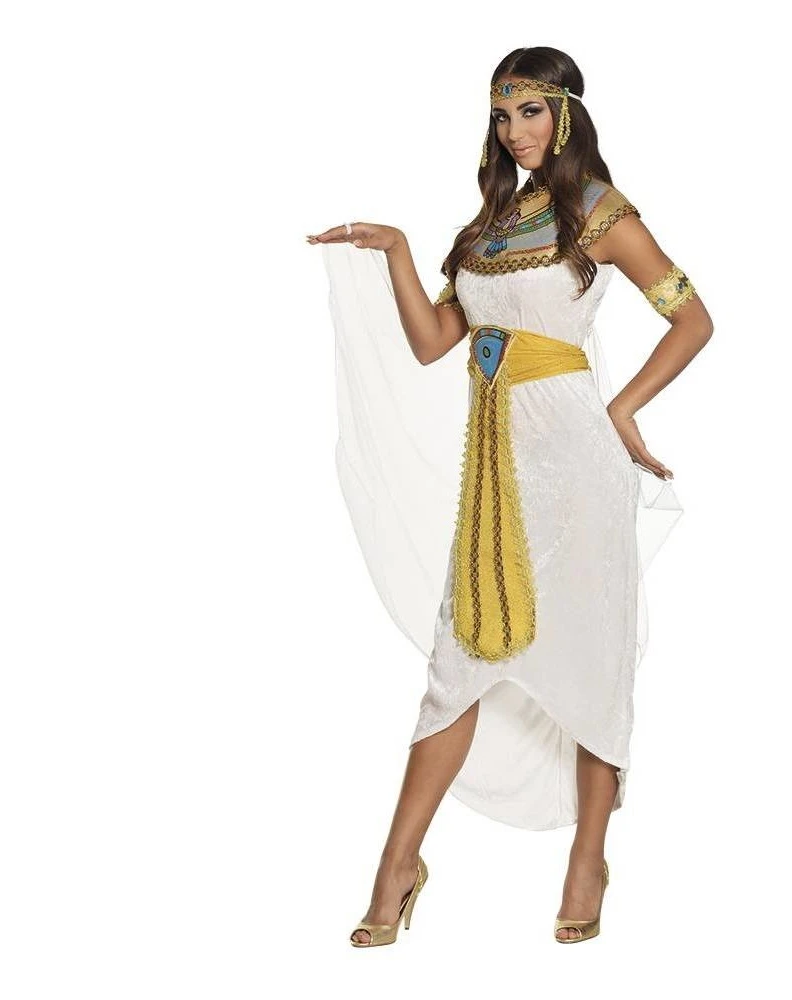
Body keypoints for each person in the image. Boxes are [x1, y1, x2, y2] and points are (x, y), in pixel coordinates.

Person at [307, 46, 713, 946]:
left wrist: (622, 408)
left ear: (564, 114)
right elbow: (433, 341)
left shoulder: (602, 213)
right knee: (457, 664)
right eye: (501, 115)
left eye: (529, 111)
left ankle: (587, 858)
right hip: (495, 469)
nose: (514, 130)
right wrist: (399, 251)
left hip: (577, 466)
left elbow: (693, 319)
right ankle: (397, 867)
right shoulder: (489, 228)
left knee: (593, 657)